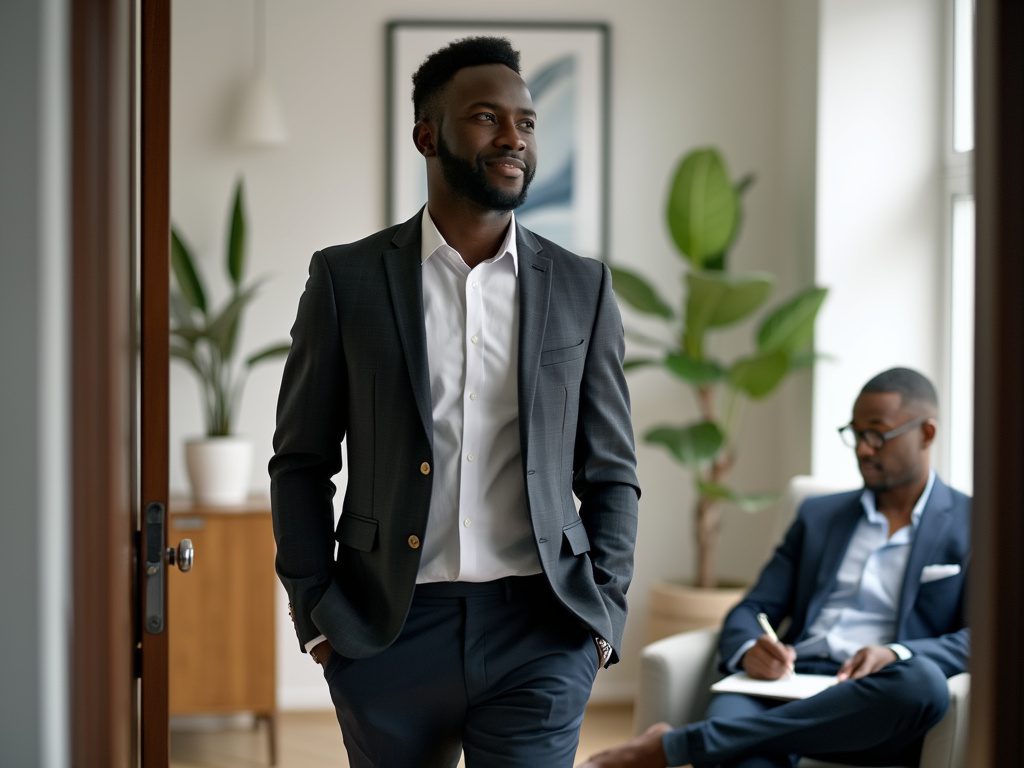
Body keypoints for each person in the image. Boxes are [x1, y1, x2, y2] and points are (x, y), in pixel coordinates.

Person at [269, 36, 639, 768]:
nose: (514, 138)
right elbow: (302, 461)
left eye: (527, 122)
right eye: (486, 117)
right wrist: (316, 614)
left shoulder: (580, 286)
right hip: (387, 632)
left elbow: (611, 470)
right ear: (427, 136)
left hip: (541, 627)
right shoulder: (348, 280)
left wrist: (603, 612)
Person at [582, 367, 970, 768]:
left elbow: (986, 639)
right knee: (742, 756)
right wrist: (753, 648)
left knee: (921, 683)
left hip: (874, 698)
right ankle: (702, 743)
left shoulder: (977, 523)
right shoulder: (819, 517)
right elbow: (751, 608)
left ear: (926, 433)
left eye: (876, 433)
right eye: (854, 434)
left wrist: (896, 653)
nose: (862, 449)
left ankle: (676, 746)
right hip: (784, 684)